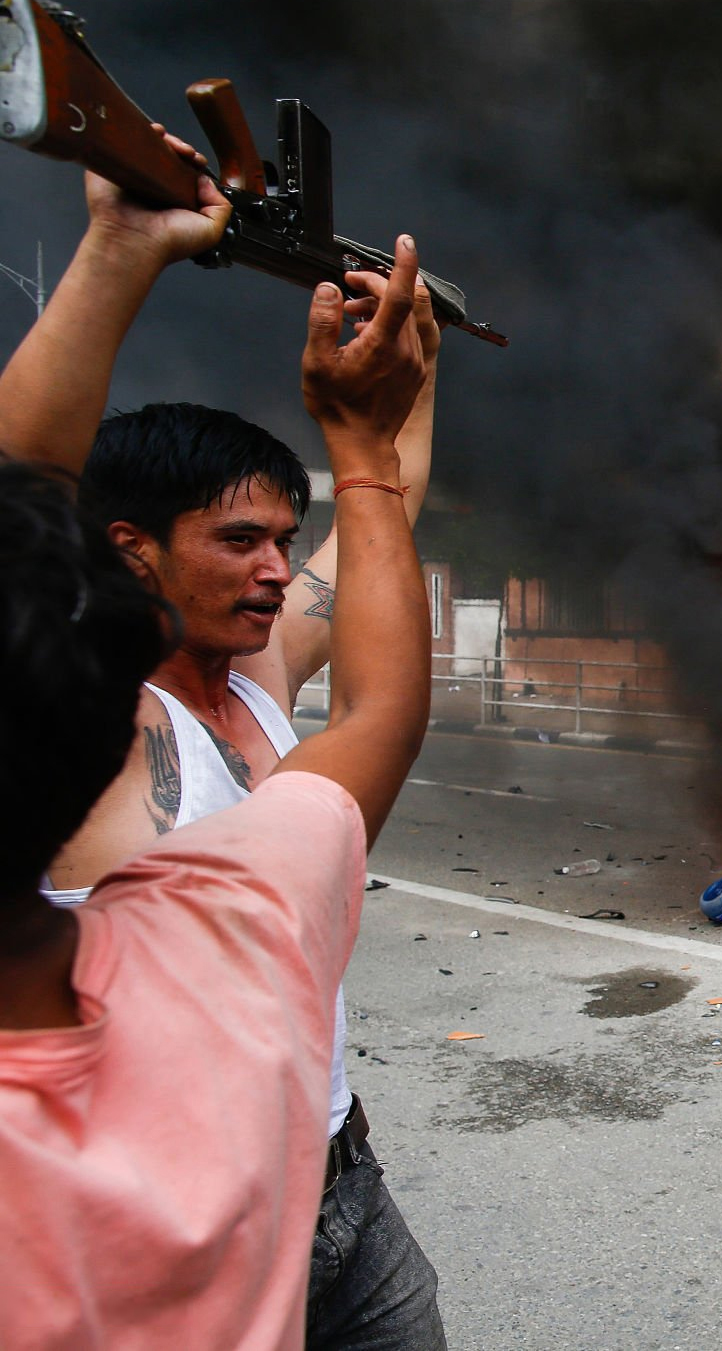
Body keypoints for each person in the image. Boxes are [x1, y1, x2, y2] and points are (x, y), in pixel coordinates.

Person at [5, 148, 448, 1348]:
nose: (274, 573)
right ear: (129, 549)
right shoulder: (85, 718)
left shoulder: (255, 670)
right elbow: (21, 490)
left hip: (338, 1179)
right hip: (177, 1209)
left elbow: (384, 510)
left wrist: (405, 384)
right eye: (238, 542)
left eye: (284, 541)